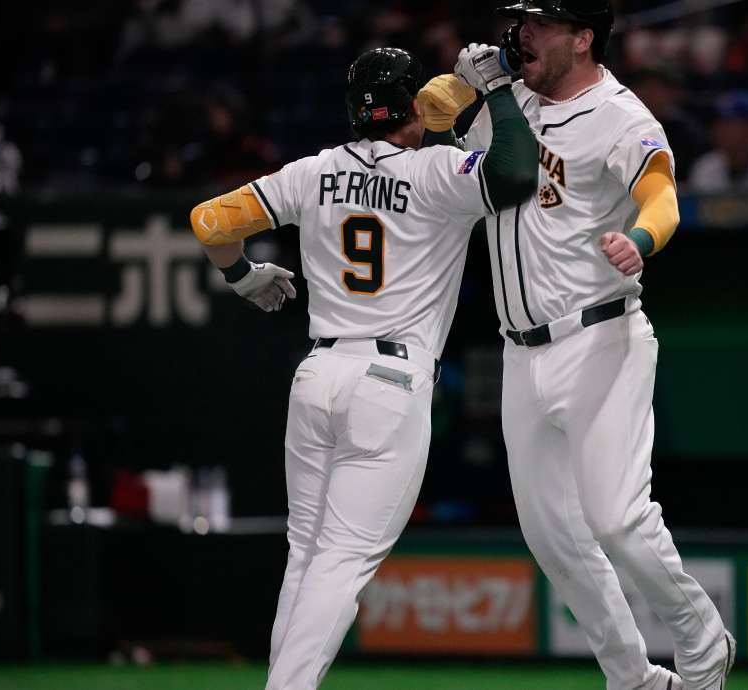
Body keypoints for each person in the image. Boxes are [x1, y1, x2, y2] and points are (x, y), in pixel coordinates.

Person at [189, 47, 537, 689]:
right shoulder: (436, 172)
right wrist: (497, 89)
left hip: (319, 373)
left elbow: (208, 220)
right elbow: (517, 175)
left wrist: (241, 276)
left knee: (308, 558)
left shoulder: (313, 171)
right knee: (341, 561)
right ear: (410, 109)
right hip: (390, 384)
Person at [451, 2, 735, 688]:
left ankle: (702, 641)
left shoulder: (621, 114)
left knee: (616, 517)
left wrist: (640, 239)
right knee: (554, 538)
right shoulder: (508, 101)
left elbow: (662, 194)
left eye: (542, 24)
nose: (524, 35)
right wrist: (461, 84)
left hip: (599, 333)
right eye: (521, 22)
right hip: (519, 352)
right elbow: (435, 118)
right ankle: (632, 677)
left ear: (582, 38)